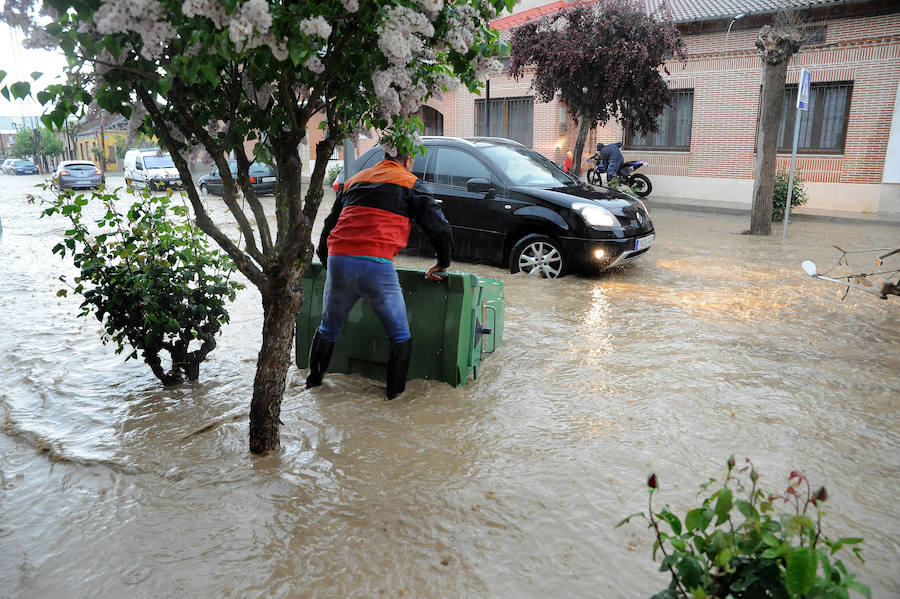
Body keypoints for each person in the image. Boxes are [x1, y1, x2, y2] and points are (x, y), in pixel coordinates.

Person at [308, 150, 453, 400]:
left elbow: (330, 224)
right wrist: (443, 262)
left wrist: (327, 260)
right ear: (407, 161)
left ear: (384, 157)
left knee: (328, 328)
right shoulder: (410, 183)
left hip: (339, 259)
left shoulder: (356, 180)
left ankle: (312, 386)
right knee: (399, 334)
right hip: (376, 264)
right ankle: (394, 400)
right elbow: (439, 228)